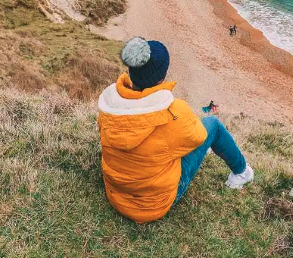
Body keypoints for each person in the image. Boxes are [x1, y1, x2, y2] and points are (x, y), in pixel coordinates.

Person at [97, 37, 254, 223]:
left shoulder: (110, 107)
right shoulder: (173, 112)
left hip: (117, 195)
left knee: (161, 146)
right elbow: (199, 137)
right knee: (213, 125)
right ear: (162, 77)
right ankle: (242, 173)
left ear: (131, 71)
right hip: (153, 206)